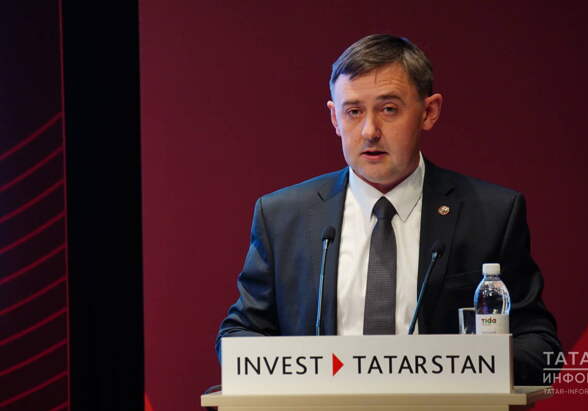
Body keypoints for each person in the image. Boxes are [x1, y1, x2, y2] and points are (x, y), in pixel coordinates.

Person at [216, 34, 561, 385]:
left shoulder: (491, 214)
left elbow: (539, 346)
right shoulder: (283, 216)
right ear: (334, 118)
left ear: (429, 112)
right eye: (353, 112)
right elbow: (240, 333)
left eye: (389, 109)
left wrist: (461, 366)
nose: (370, 131)